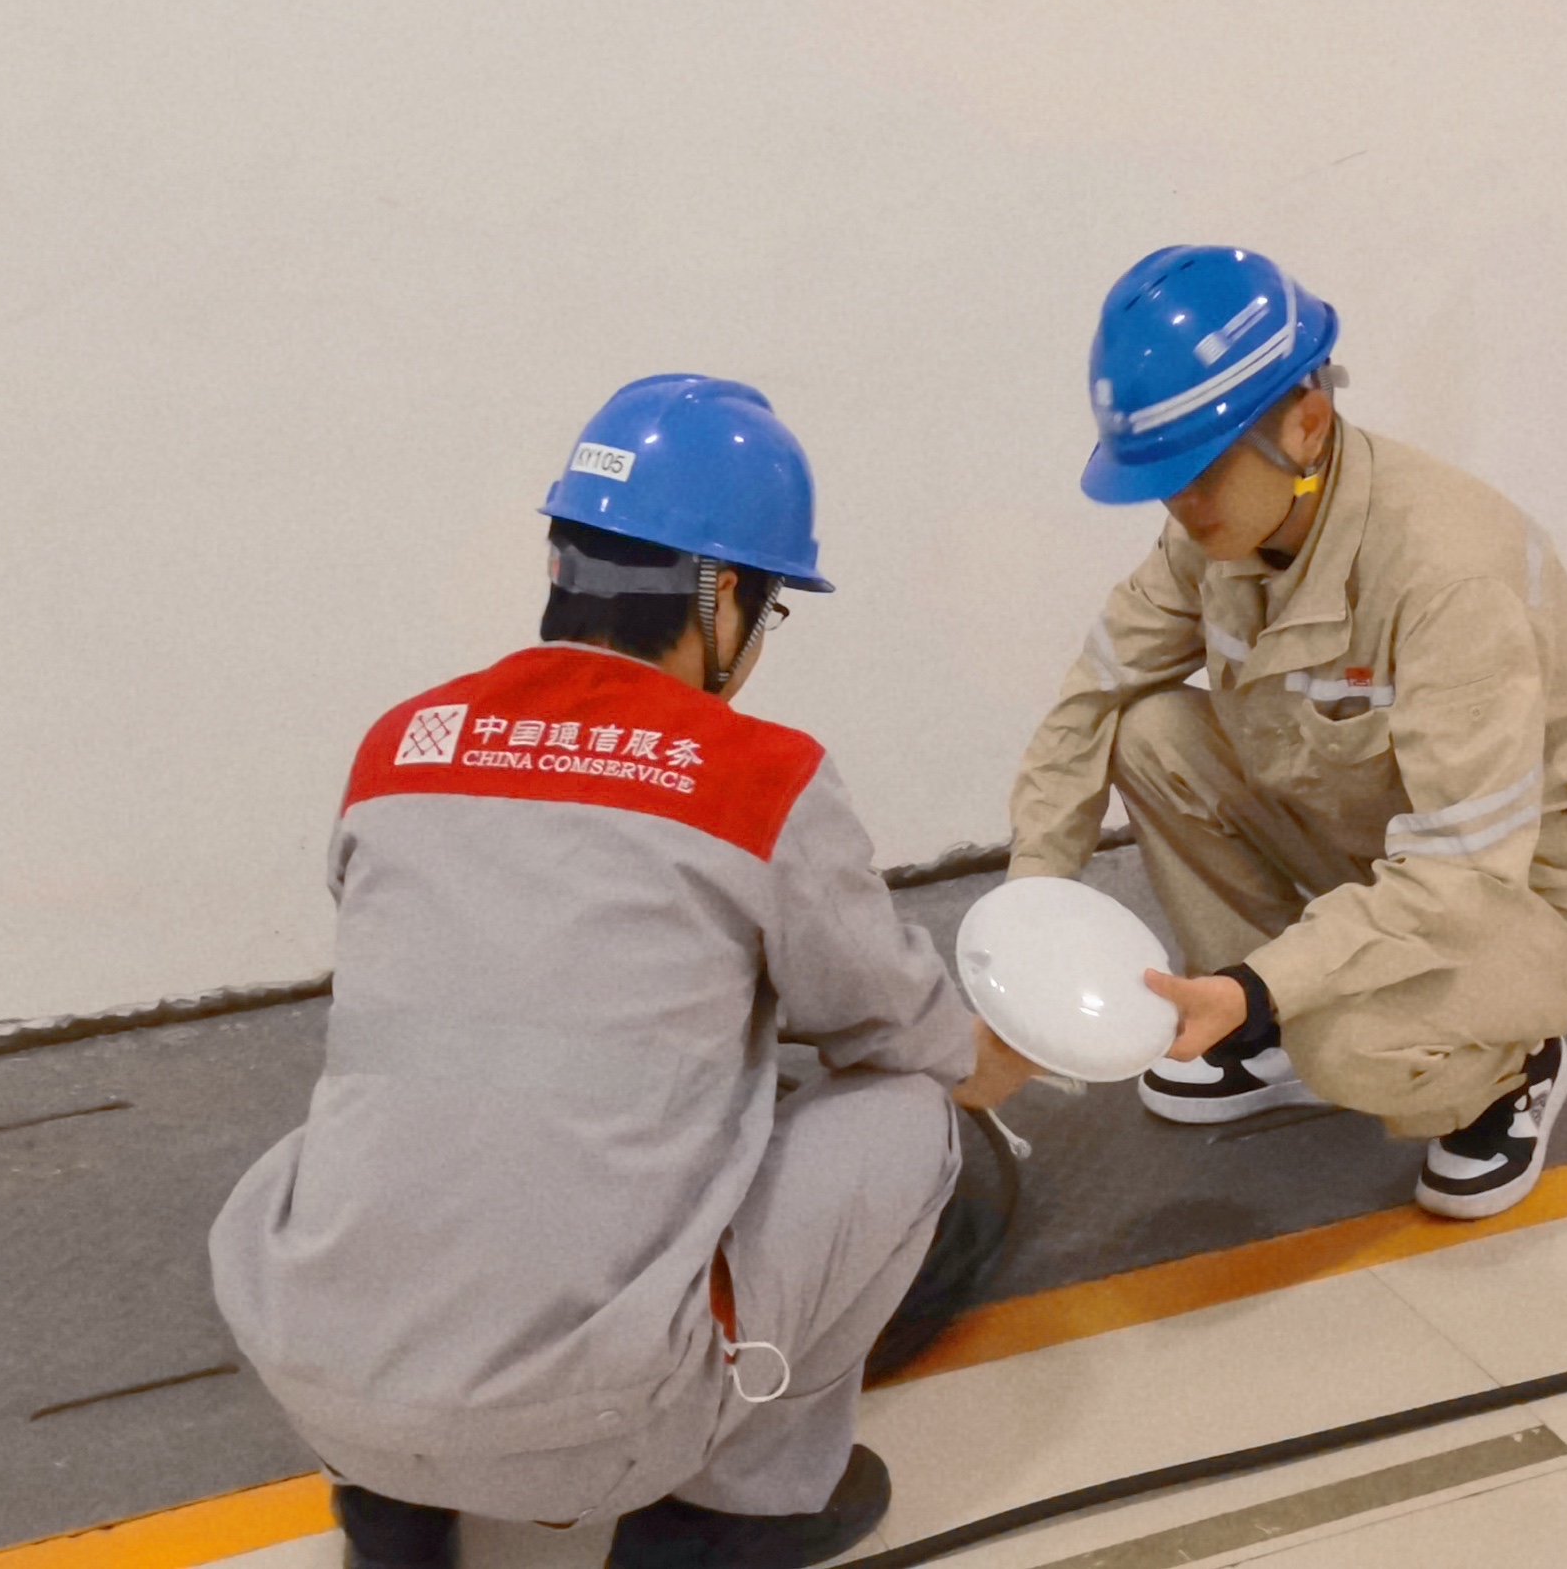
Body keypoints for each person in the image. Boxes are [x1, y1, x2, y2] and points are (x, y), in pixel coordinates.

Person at [212, 375, 1034, 1569]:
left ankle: (390, 1512)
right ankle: (728, 1517)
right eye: (768, 607)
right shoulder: (758, 778)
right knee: (909, 1116)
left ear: (564, 562)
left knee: (390, 1115)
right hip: (596, 1428)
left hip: (321, 1387)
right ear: (723, 595)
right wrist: (999, 1053)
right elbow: (895, 1030)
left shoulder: (400, 747)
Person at [1005, 247, 1567, 1220]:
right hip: (1382, 840)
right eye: (1160, 477)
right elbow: (1095, 695)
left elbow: (1462, 870)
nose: (1179, 504)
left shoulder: (1447, 574)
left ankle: (1507, 1072)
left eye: (1198, 469)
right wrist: (1031, 910)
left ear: (1306, 422)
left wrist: (1265, 983)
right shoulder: (1217, 530)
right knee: (1148, 731)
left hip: (1533, 892)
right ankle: (1263, 1025)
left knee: (1346, 1043)